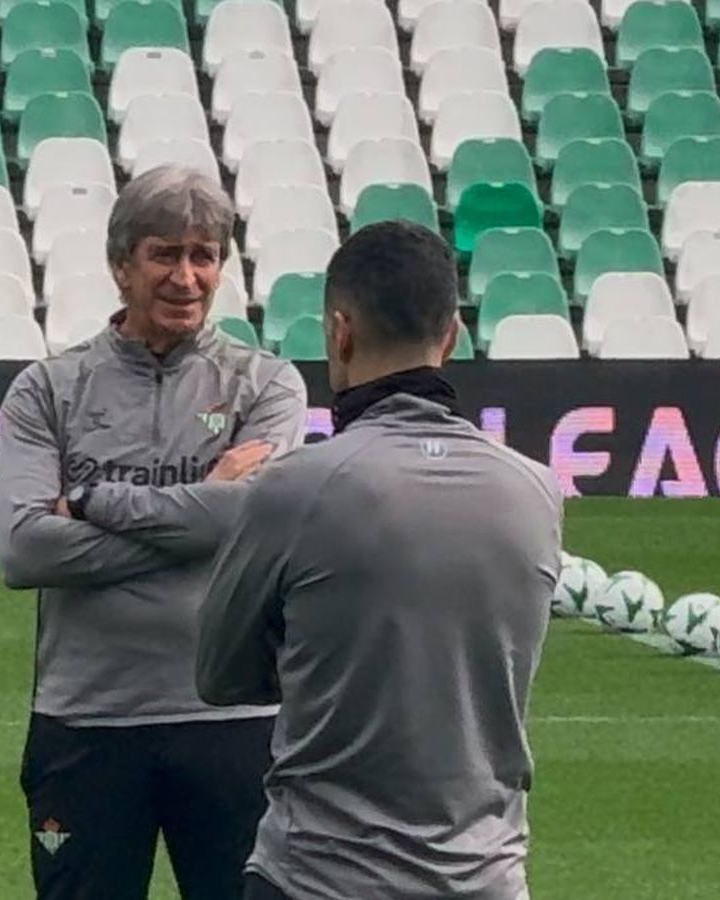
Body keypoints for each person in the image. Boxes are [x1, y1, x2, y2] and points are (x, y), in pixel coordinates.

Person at [196, 220, 563, 900]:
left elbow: (220, 675)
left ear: (339, 331)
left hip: (319, 876)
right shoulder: (535, 490)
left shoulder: (294, 487)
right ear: (451, 334)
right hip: (483, 876)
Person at [0, 165, 308, 899]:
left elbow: (253, 520)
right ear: (120, 265)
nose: (186, 277)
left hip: (236, 719)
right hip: (85, 721)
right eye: (165, 254)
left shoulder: (266, 385)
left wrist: (93, 499)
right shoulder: (48, 388)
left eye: (204, 256)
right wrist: (204, 510)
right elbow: (23, 549)